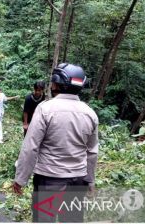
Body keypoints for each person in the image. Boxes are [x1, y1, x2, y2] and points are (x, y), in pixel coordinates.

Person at [13, 63, 99, 222]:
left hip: (49, 180)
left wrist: (21, 178)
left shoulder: (45, 109)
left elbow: (30, 147)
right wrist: (90, 181)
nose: (51, 85)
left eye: (53, 82)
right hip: (78, 180)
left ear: (58, 83)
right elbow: (92, 152)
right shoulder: (90, 113)